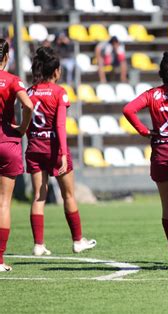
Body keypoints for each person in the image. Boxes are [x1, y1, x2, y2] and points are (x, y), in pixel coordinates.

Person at [26, 46, 96, 256]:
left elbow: (27, 124)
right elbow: (60, 126)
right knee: (69, 195)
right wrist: (64, 154)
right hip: (55, 149)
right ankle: (77, 241)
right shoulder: (59, 92)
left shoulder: (30, 92)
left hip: (34, 147)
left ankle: (38, 245)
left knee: (39, 196)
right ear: (56, 70)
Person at [122, 52, 168, 264]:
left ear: (161, 73)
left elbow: (128, 109)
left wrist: (144, 131)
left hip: (159, 154)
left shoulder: (151, 94)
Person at [0, 39, 34, 272]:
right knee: (3, 203)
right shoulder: (12, 80)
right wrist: (22, 128)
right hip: (6, 142)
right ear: (7, 56)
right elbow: (29, 105)